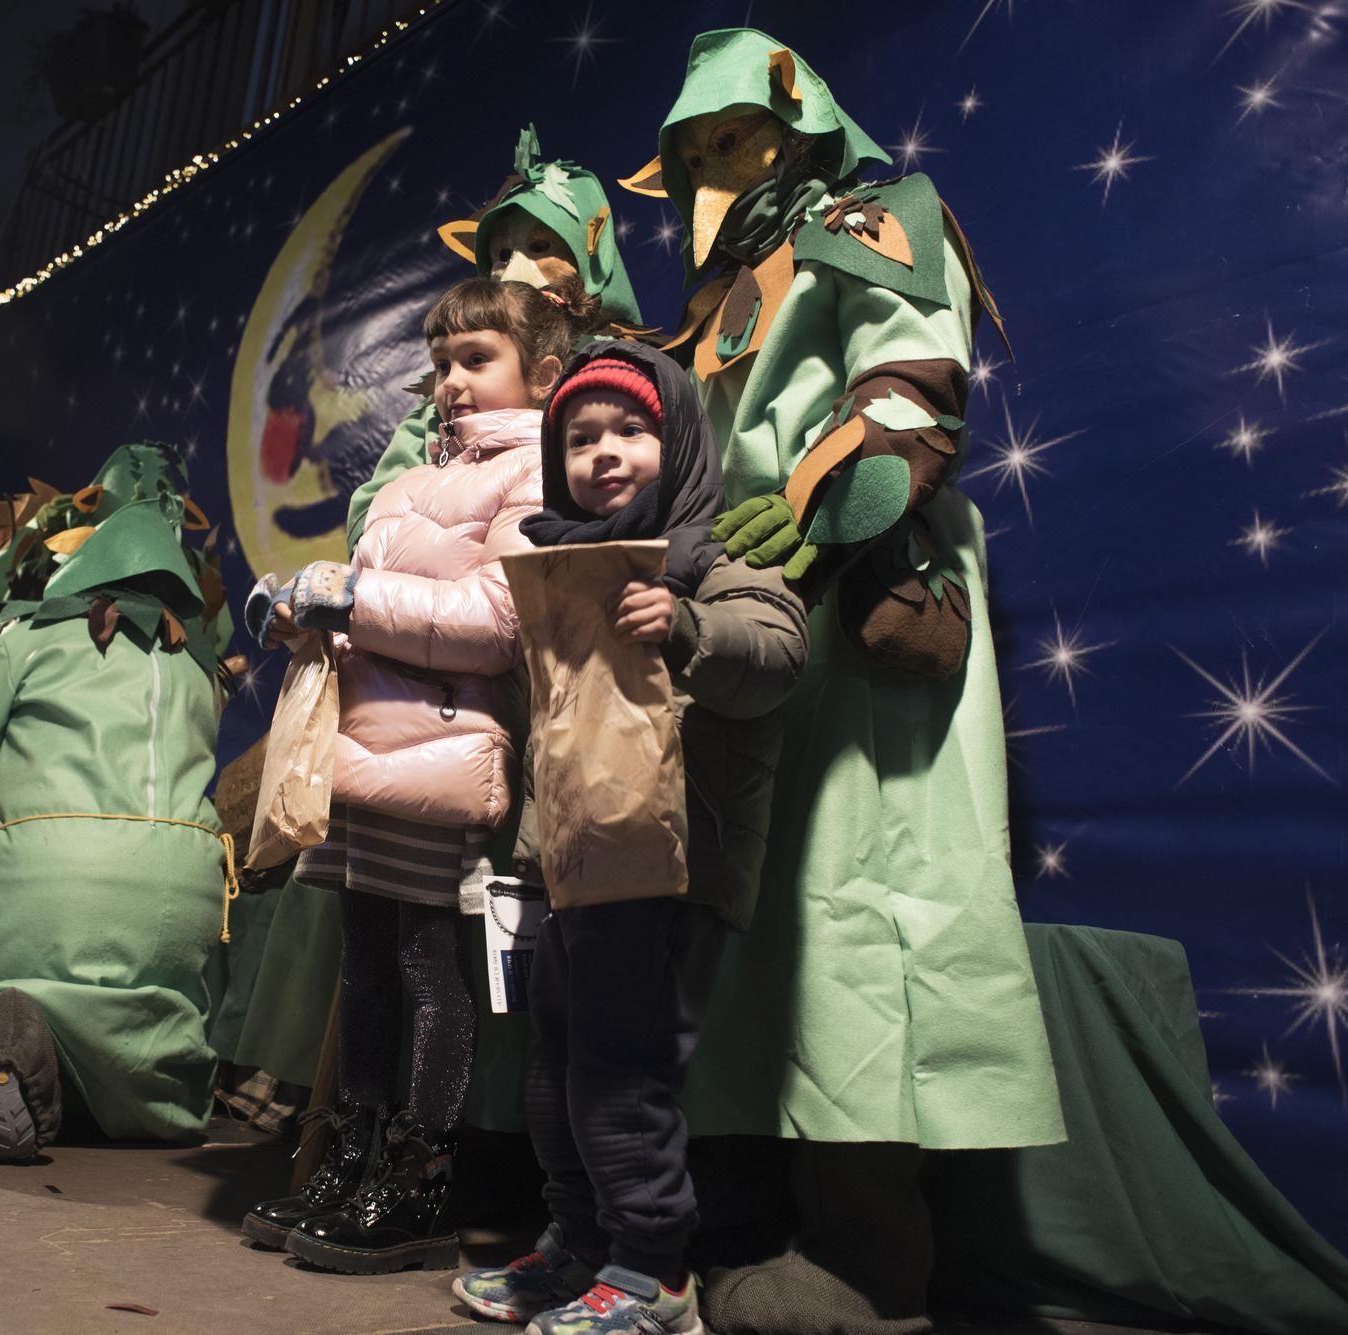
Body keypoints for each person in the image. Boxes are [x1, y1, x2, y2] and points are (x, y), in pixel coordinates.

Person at [632, 30, 1064, 1334]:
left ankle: (871, 1261)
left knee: (849, 911)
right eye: (696, 150)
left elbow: (910, 384)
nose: (718, 165)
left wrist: (819, 519)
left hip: (854, 587)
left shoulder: (878, 215)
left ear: (797, 120)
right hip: (737, 622)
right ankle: (740, 1221)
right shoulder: (716, 301)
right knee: (744, 917)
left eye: (734, 136)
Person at [239, 274, 599, 1275]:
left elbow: (494, 623)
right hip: (360, 749)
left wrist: (351, 590)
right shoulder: (399, 486)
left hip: (445, 755)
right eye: (440, 362)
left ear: (545, 372)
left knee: (426, 970)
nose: (449, 380)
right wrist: (300, 607)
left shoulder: (534, 472)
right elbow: (373, 606)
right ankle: (352, 1152)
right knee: (361, 967)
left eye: (474, 359)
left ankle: (421, 1170)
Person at [453, 344, 809, 1334]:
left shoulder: (720, 558)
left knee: (623, 1069)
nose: (604, 453)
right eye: (579, 437)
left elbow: (775, 656)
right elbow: (559, 732)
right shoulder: (559, 565)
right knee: (554, 1062)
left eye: (629, 430)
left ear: (680, 438)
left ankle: (654, 1275)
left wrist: (687, 624)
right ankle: (578, 1246)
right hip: (573, 866)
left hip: (671, 867)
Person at [0, 444, 237, 1161]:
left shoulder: (29, 634)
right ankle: (127, 1091)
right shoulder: (199, 670)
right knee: (151, 1050)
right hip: (177, 897)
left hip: (37, 877)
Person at [345, 126, 645, 550]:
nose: (513, 270)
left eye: (540, 246)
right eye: (501, 255)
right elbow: (374, 510)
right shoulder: (442, 406)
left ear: (589, 249)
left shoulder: (630, 373)